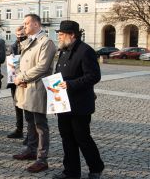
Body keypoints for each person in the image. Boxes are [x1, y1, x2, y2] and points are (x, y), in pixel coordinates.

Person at [52, 20, 105, 179]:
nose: (59, 37)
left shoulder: (85, 50)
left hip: (80, 105)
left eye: (61, 34)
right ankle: (71, 172)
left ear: (72, 34)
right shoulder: (63, 50)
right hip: (63, 103)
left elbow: (94, 76)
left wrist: (71, 84)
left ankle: (96, 167)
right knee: (67, 139)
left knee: (82, 138)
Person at [13, 14, 56, 173]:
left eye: (27, 23)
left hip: (37, 89)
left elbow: (42, 67)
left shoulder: (46, 42)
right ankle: (30, 150)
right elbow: (20, 62)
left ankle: (42, 158)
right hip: (26, 87)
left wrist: (22, 77)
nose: (24, 27)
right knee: (29, 121)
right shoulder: (29, 41)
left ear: (36, 24)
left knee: (40, 125)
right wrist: (18, 76)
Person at [6, 26, 28, 140]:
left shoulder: (30, 45)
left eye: (22, 34)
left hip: (26, 80)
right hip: (14, 80)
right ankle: (19, 129)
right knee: (17, 105)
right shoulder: (13, 46)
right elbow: (9, 61)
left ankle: (30, 133)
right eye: (18, 35)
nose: (20, 37)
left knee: (28, 107)